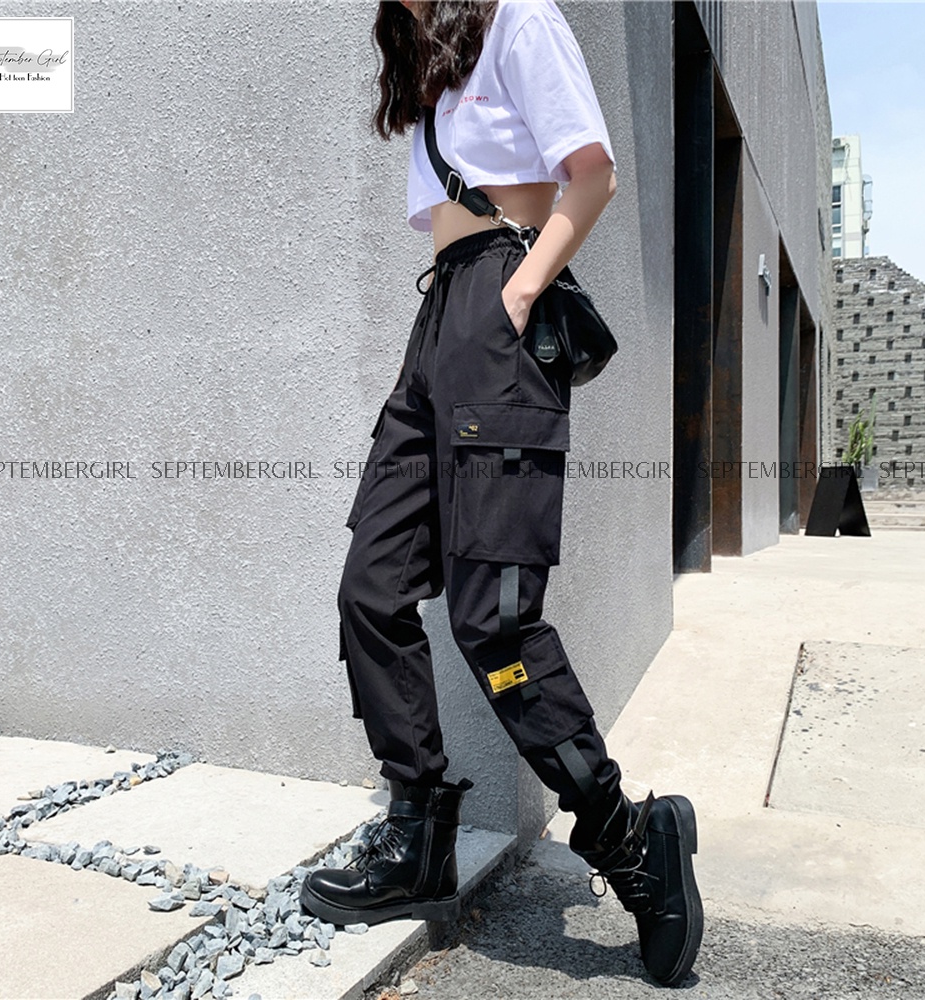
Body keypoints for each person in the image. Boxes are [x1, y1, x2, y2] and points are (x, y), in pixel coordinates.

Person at [301, 0, 703, 986]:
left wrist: (519, 293)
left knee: (494, 621)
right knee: (372, 588)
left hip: (496, 307)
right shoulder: (430, 65)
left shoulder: (518, 18)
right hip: (440, 321)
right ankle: (417, 834)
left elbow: (591, 173)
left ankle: (627, 837)